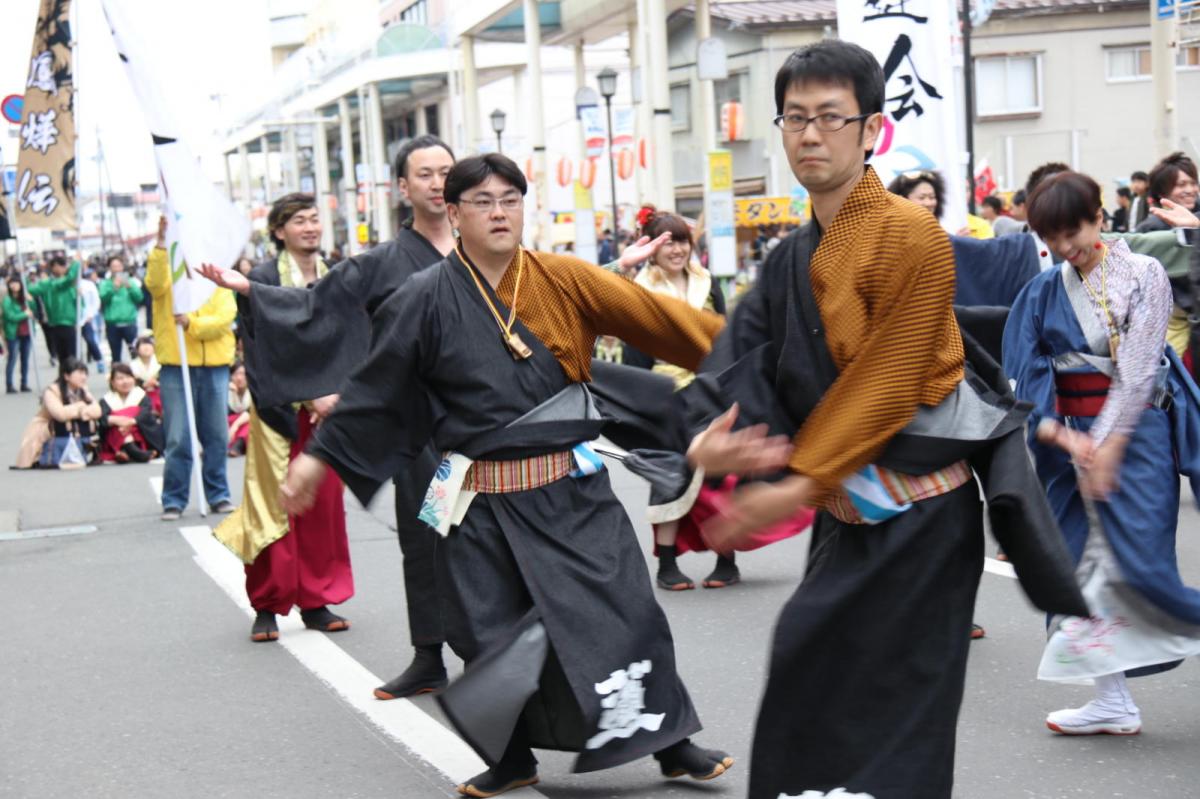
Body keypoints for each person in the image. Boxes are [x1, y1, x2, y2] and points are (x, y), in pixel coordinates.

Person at [684, 40, 1084, 798]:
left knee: (897, 718)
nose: (810, 134)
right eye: (795, 117)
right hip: (846, 516)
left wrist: (797, 480)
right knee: (807, 681)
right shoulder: (790, 254)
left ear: (872, 130)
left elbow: (889, 378)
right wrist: (709, 431)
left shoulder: (909, 232)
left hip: (921, 520)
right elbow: (741, 352)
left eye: (831, 117)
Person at [279, 153, 745, 797]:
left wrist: (761, 365)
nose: (498, 212)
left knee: (625, 615)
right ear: (454, 211)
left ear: (525, 208)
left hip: (570, 490)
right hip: (479, 500)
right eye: (481, 201)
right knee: (489, 635)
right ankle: (512, 757)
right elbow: (377, 389)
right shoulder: (423, 298)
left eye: (510, 199)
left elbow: (671, 325)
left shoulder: (567, 278)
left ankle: (671, 742)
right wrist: (318, 456)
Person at [1002, 170, 1200, 736]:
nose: (1066, 248)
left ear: (1098, 218)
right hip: (1070, 442)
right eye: (1052, 238)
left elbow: (1138, 373)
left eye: (1074, 231)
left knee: (1140, 570)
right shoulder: (1043, 290)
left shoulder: (1144, 273)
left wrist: (1107, 446)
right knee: (1076, 570)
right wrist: (1061, 437)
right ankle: (1113, 700)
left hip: (1138, 438)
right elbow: (1026, 373)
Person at [630, 205, 812, 591]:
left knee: (721, 473)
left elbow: (728, 336)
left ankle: (725, 558)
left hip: (712, 384)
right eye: (668, 243)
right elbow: (634, 350)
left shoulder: (707, 282)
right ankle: (666, 564)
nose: (677, 250)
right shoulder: (640, 288)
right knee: (669, 477)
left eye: (682, 241)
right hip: (666, 392)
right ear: (654, 249)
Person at [214, 193, 354, 641]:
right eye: (299, 221)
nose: (310, 228)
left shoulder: (338, 272)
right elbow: (261, 347)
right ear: (279, 231)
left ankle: (316, 600)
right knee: (272, 505)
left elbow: (350, 340)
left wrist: (340, 394)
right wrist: (310, 395)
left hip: (332, 411)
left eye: (315, 220)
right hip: (280, 410)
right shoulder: (263, 278)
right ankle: (267, 605)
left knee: (322, 507)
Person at [145, 215, 237, 521]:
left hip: (215, 366)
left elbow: (226, 316)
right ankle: (174, 499)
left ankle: (218, 494)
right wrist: (160, 243)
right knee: (178, 436)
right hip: (175, 364)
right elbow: (154, 285)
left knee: (216, 435)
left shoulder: (216, 273)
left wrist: (192, 323)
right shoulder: (167, 267)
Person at [95, 362, 163, 463]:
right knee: (117, 427)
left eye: (128, 377)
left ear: (133, 379)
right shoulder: (106, 400)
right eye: (120, 378)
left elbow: (145, 414)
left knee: (134, 417)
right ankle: (135, 453)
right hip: (115, 435)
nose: (125, 381)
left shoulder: (140, 395)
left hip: (140, 432)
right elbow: (103, 419)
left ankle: (126, 451)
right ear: (113, 382)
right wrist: (119, 420)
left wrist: (131, 421)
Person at [37, 357, 97, 468]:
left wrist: (83, 408)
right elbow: (60, 414)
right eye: (79, 373)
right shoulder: (52, 391)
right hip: (52, 434)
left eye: (85, 373)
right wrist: (81, 408)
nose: (84, 377)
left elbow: (97, 411)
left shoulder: (83, 389)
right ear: (66, 376)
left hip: (77, 434)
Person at [27, 255, 79, 363]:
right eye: (55, 266)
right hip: (55, 322)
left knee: (71, 355)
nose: (58, 268)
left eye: (61, 265)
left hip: (69, 322)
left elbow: (78, 302)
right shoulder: (50, 283)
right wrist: (77, 263)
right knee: (63, 356)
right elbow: (31, 290)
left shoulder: (70, 285)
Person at [1136, 151, 1200, 234]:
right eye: (1181, 185)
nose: (1190, 190)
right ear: (1161, 192)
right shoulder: (1151, 228)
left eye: (1193, 183)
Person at [98, 256, 143, 363]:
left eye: (118, 266)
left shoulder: (131, 281)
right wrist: (114, 288)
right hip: (112, 324)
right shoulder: (105, 283)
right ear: (109, 268)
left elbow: (139, 298)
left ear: (123, 267)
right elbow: (103, 299)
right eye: (113, 266)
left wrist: (130, 287)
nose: (117, 269)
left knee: (135, 354)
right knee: (115, 355)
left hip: (129, 323)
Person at [3, 275, 33, 393]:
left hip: (26, 332)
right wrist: (24, 314)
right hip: (13, 333)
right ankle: (9, 384)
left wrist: (31, 301)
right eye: (12, 283)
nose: (14, 285)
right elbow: (10, 316)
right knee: (12, 358)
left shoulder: (24, 299)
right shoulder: (7, 300)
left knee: (25, 359)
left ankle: (24, 383)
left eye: (16, 283)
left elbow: (32, 311)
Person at [78, 269, 104, 370]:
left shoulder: (88, 285)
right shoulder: (66, 286)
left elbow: (96, 300)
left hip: (86, 319)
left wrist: (91, 314)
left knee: (90, 340)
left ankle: (99, 360)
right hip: (71, 321)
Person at [226, 360, 251, 456]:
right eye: (236, 374)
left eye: (243, 374)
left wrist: (235, 426)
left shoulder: (252, 391)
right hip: (230, 425)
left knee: (248, 424)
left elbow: (250, 413)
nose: (239, 378)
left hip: (244, 426)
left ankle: (238, 446)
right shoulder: (227, 391)